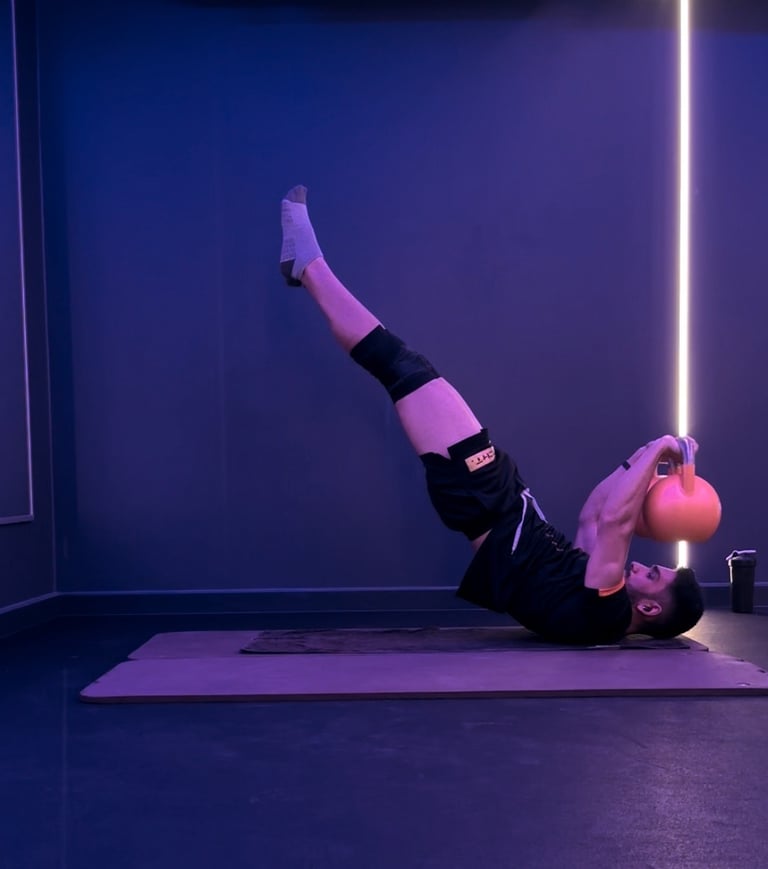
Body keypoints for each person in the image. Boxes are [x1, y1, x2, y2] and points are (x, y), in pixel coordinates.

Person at [279, 185, 705, 644]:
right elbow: (594, 514)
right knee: (404, 370)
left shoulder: (608, 612)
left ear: (648, 605)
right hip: (493, 496)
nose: (642, 564)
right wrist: (644, 455)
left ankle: (309, 267)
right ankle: (308, 267)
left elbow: (616, 522)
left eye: (653, 574)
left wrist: (663, 445)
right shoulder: (590, 591)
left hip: (484, 496)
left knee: (400, 367)